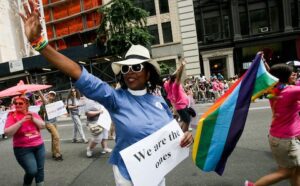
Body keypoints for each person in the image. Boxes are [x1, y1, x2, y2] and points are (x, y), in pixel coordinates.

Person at [19, 2, 193, 185]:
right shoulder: (115, 98)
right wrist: (40, 44)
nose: (129, 72)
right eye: (125, 68)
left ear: (148, 72)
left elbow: (172, 134)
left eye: (136, 67)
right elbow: (78, 72)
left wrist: (185, 136)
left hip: (157, 174)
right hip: (128, 175)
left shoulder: (159, 102)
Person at [245, 64, 300, 186]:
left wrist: (265, 64)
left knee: (296, 171)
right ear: (285, 77)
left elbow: (273, 76)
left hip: (279, 137)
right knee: (286, 172)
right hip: (286, 140)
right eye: (292, 73)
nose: (295, 74)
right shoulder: (291, 91)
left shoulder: (274, 91)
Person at [4, 95, 46, 186]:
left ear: (27, 104)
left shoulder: (33, 114)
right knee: (31, 171)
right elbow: (7, 133)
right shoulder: (12, 115)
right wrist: (21, 122)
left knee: (40, 169)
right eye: (15, 103)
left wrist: (33, 119)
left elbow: (43, 126)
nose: (17, 105)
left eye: (20, 103)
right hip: (23, 149)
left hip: (39, 146)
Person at [163, 58, 191, 132]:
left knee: (183, 119)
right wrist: (182, 66)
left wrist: (181, 66)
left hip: (178, 103)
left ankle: (179, 131)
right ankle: (179, 132)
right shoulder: (175, 85)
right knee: (181, 117)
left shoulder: (168, 83)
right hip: (178, 103)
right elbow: (178, 75)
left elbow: (175, 74)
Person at [38, 90, 63, 161]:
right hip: (48, 123)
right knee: (57, 137)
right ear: (48, 95)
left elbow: (60, 111)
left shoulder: (55, 103)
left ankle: (54, 152)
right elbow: (42, 97)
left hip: (55, 123)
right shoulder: (46, 102)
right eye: (50, 94)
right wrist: (39, 91)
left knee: (54, 137)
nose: (51, 96)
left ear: (54, 97)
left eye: (53, 95)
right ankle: (57, 154)